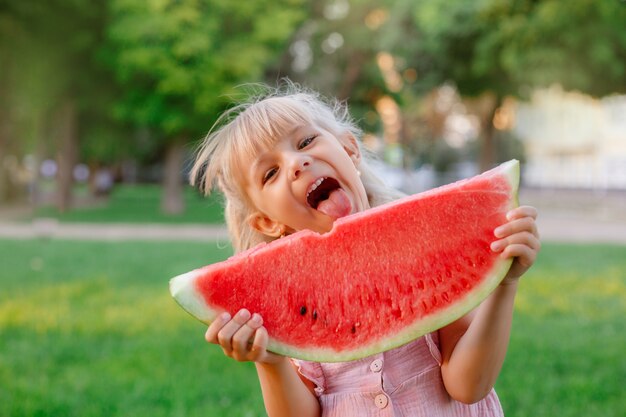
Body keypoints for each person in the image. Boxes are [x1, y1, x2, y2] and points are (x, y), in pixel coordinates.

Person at [189, 83, 540, 417]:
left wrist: (504, 284)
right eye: (270, 173)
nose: (296, 163)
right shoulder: (292, 297)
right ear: (267, 223)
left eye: (306, 140)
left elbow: (467, 385)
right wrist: (271, 360)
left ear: (349, 150)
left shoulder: (419, 243)